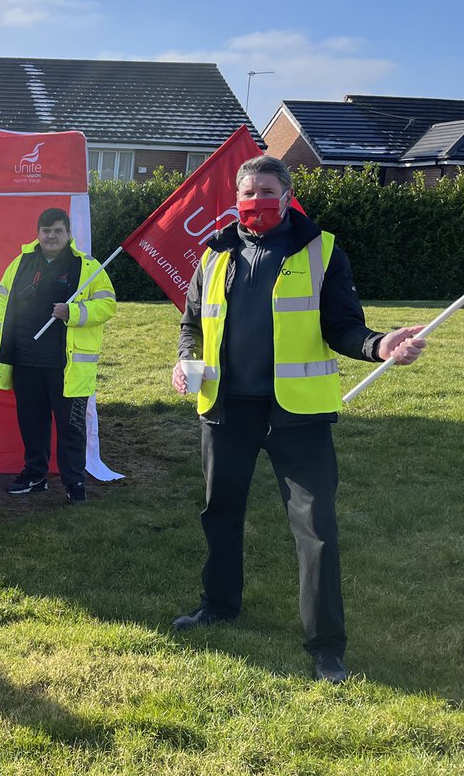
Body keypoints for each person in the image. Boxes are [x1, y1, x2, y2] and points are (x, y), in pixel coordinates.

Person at [170, 154, 427, 683]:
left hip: (298, 416)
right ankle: (218, 605)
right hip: (225, 411)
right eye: (247, 192)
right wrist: (185, 360)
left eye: (266, 190)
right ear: (235, 199)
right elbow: (192, 323)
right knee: (220, 514)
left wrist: (379, 347)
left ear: (287, 198)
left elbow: (342, 326)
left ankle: (326, 645)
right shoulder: (215, 254)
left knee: (316, 531)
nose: (255, 200)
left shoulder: (321, 250)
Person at [0, 208, 117, 504]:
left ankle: (74, 483)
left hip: (67, 365)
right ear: (38, 233)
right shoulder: (20, 263)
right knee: (32, 423)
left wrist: (73, 312)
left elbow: (108, 305)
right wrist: (0, 333)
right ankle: (35, 476)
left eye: (58, 230)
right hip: (25, 360)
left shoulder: (86, 266)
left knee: (71, 428)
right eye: (46, 230)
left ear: (69, 234)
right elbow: (0, 298)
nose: (51, 236)